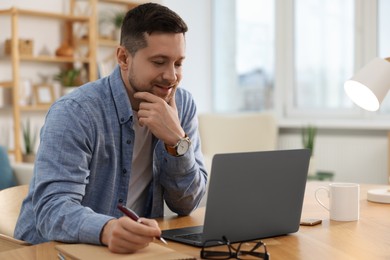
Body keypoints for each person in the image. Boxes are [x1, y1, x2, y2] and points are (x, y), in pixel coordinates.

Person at [14, 3, 207, 254]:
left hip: (131, 251)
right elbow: (52, 209)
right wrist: (106, 229)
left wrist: (177, 142)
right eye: (159, 62)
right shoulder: (75, 112)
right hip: (52, 251)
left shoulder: (183, 105)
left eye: (178, 63)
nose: (171, 76)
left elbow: (187, 204)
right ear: (124, 58)